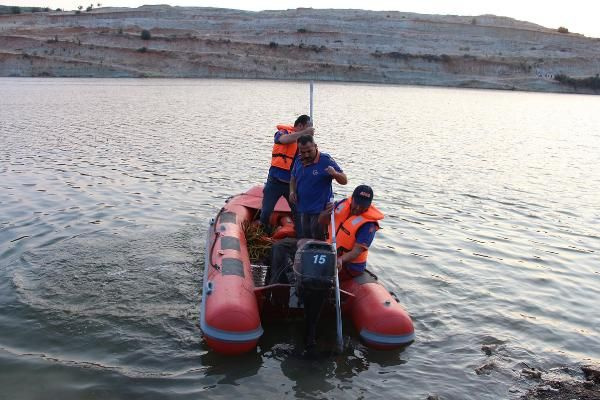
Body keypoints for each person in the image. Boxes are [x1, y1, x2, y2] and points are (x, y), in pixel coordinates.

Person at [260, 115, 314, 234]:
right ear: (300, 126)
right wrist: (305, 132)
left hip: (292, 185)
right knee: (266, 211)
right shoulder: (282, 132)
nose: (311, 130)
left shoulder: (305, 142)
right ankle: (264, 233)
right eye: (309, 127)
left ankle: (300, 237)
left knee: (298, 212)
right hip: (275, 182)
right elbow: (283, 140)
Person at [318, 185, 383, 280]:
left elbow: (356, 251)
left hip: (351, 265)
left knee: (320, 274)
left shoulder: (368, 225)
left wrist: (340, 259)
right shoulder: (341, 205)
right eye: (356, 203)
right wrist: (324, 214)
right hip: (331, 253)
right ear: (352, 199)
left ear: (369, 205)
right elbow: (322, 221)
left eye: (363, 206)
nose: (358, 208)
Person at [290, 135, 347, 240]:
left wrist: (335, 173)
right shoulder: (298, 160)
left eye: (309, 151)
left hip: (320, 210)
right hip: (303, 207)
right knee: (305, 236)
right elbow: (293, 178)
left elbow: (344, 180)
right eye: (302, 152)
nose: (306, 155)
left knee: (318, 238)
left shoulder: (326, 160)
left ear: (316, 146)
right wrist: (292, 192)